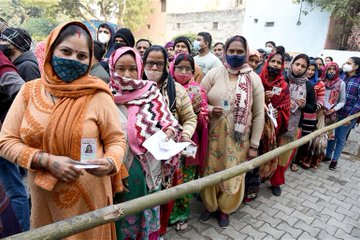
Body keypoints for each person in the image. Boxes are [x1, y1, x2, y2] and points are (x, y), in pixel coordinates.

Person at [0, 22, 127, 239]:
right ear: (51, 50)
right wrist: (46, 161)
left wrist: (110, 162)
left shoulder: (98, 94)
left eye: (81, 56)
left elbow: (117, 140)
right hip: (46, 202)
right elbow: (6, 141)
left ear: (89, 60)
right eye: (66, 51)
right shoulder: (29, 92)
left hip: (91, 199)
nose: (73, 60)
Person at [109, 46, 181, 240]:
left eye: (132, 68)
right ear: (111, 68)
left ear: (139, 69)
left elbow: (169, 122)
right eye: (120, 68)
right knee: (121, 217)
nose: (127, 74)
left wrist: (168, 131)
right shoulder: (104, 97)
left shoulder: (151, 93)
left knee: (146, 213)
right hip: (119, 172)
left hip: (148, 169)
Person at [199, 35, 264, 228]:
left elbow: (259, 114)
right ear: (226, 52)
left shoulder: (254, 79)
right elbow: (198, 98)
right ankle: (210, 206)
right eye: (231, 51)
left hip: (238, 140)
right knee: (210, 170)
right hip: (213, 136)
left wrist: (254, 146)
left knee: (232, 173)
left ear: (246, 53)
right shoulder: (214, 73)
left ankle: (225, 209)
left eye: (239, 51)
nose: (235, 55)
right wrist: (210, 110)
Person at [142, 45, 197, 236]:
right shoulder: (134, 87)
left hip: (169, 155)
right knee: (144, 199)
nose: (154, 68)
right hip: (141, 156)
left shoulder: (178, 91)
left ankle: (160, 230)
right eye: (150, 63)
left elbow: (190, 118)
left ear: (166, 66)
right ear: (143, 64)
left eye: (159, 64)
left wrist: (186, 135)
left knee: (166, 195)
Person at [168, 52, 208, 231]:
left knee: (186, 180)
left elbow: (203, 124)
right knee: (170, 180)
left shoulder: (198, 90)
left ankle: (182, 214)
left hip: (190, 144)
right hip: (168, 143)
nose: (183, 72)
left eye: (188, 69)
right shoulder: (165, 87)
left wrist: (198, 112)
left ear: (193, 71)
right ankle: (166, 214)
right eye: (179, 68)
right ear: (172, 68)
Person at [248, 51, 290, 203]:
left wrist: (277, 112)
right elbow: (249, 100)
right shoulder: (257, 79)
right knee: (252, 156)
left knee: (267, 156)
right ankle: (246, 189)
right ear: (267, 62)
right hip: (254, 126)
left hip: (272, 128)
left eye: (279, 63)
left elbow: (285, 105)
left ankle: (260, 185)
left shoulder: (284, 85)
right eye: (273, 62)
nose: (275, 65)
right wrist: (263, 99)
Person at [274, 54, 316, 193]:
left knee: (284, 156)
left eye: (303, 66)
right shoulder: (282, 79)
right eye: (297, 64)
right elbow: (273, 97)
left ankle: (276, 183)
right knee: (269, 151)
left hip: (292, 127)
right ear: (291, 64)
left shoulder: (308, 86)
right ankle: (263, 176)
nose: (299, 68)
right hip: (275, 123)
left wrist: (304, 106)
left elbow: (313, 107)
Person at [0, 51, 29, 232]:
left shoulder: (7, 67)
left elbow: (23, 91)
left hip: (4, 138)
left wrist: (12, 121)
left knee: (13, 190)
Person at [326, 57, 360, 170]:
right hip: (335, 112)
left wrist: (350, 116)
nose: (345, 64)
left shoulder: (359, 80)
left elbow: (359, 102)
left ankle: (335, 160)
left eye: (349, 63)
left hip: (349, 115)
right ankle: (327, 155)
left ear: (356, 67)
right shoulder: (342, 77)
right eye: (345, 62)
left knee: (340, 137)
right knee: (332, 135)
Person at [295, 61, 325, 169]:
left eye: (313, 70)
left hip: (310, 116)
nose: (310, 72)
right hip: (296, 115)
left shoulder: (319, 84)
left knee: (304, 140)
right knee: (294, 138)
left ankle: (297, 161)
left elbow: (321, 101)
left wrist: (311, 108)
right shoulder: (297, 81)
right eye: (308, 69)